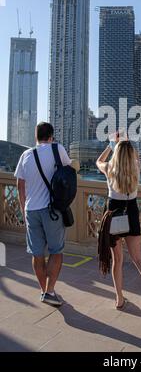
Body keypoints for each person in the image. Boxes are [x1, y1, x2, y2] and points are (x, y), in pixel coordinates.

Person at [96, 134, 141, 317]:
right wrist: (127, 142)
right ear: (131, 154)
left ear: (117, 153)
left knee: (117, 260)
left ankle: (119, 298)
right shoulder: (136, 167)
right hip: (132, 213)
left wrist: (111, 145)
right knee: (138, 259)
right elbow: (134, 156)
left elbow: (99, 161)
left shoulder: (109, 169)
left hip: (114, 215)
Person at [15, 122, 72, 306]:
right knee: (56, 251)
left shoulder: (26, 154)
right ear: (51, 136)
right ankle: (50, 291)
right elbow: (69, 174)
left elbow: (20, 186)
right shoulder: (58, 149)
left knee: (37, 254)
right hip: (52, 210)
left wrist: (23, 209)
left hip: (31, 210)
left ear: (36, 136)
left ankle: (43, 290)